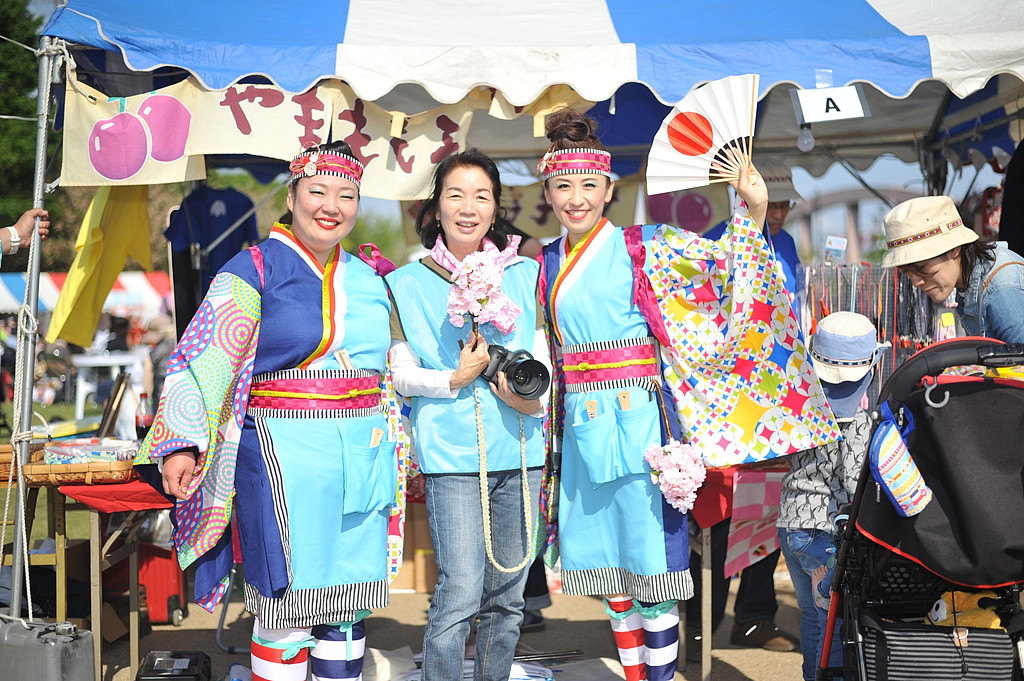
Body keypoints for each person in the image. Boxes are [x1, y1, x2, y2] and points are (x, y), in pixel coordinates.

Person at [137, 141, 403, 681]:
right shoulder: (253, 267)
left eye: (347, 195)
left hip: (363, 458)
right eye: (318, 191)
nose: (331, 206)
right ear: (292, 195)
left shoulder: (368, 278)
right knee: (286, 607)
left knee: (349, 609)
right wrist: (182, 444)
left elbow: (392, 366)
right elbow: (202, 359)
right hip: (283, 457)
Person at [535, 108, 774, 681]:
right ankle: (636, 675)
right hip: (580, 423)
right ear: (546, 192)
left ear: (609, 189)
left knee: (652, 569)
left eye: (588, 185)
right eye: (563, 186)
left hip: (640, 421)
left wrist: (754, 209)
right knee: (611, 570)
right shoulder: (542, 260)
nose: (576, 198)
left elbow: (723, 268)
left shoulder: (645, 245)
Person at [385, 148, 549, 681]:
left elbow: (546, 363)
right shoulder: (405, 283)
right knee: (458, 591)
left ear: (496, 207)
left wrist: (527, 401)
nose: (468, 207)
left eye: (482, 195)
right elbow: (401, 374)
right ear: (436, 206)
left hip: (521, 453)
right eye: (455, 195)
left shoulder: (525, 273)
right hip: (451, 458)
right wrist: (453, 379)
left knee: (509, 597)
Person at [685, 158, 803, 658]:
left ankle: (755, 618)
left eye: (784, 204)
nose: (776, 212)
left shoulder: (788, 244)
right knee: (715, 512)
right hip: (727, 398)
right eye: (769, 203)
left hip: (777, 393)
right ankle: (699, 626)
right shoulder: (718, 241)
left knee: (767, 506)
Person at [778, 311, 887, 681]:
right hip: (826, 532)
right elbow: (855, 484)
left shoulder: (802, 408)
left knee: (813, 616)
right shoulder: (857, 422)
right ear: (872, 368)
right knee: (835, 621)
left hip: (791, 523)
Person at [883, 195, 1024, 344]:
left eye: (922, 268)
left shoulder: (1001, 288)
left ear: (954, 249)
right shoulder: (969, 282)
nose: (916, 282)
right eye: (907, 273)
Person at [703, 156, 803, 289]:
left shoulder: (786, 240)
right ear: (744, 200)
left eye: (784, 205)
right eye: (770, 205)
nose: (778, 215)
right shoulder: (715, 241)